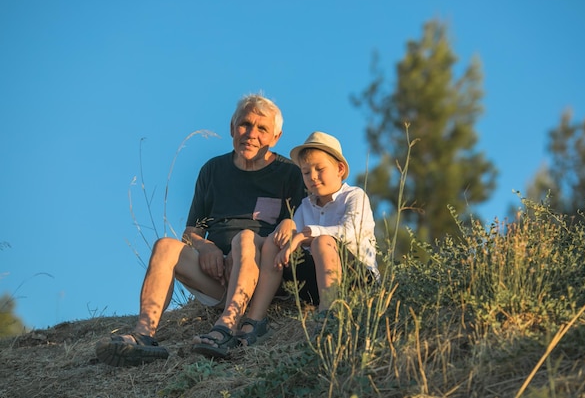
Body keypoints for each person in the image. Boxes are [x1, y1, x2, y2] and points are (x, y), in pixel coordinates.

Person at [96, 94, 306, 366]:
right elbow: (194, 230)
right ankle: (143, 335)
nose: (251, 134)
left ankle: (226, 328)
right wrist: (205, 245)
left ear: (276, 137)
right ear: (232, 128)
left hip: (262, 276)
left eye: (262, 128)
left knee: (245, 239)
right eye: (245, 124)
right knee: (165, 246)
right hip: (217, 277)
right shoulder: (213, 171)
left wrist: (247, 252)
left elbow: (297, 229)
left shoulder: (289, 174)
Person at [236, 131, 379, 345]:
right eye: (306, 172)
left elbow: (350, 232)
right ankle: (255, 320)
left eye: (320, 169)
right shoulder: (305, 206)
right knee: (275, 243)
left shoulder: (354, 196)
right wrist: (288, 241)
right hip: (315, 282)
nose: (312, 176)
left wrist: (305, 234)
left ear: (340, 169)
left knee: (322, 241)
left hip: (357, 278)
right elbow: (294, 241)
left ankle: (329, 318)